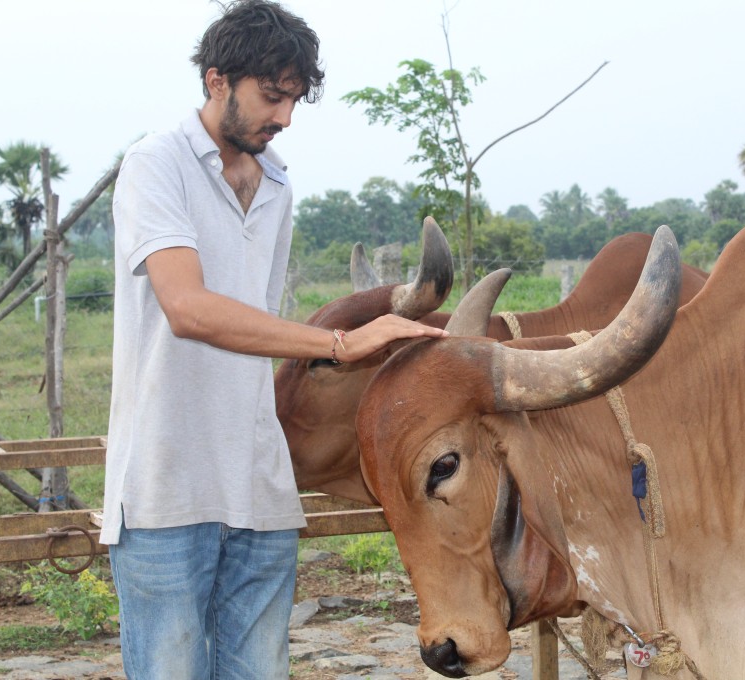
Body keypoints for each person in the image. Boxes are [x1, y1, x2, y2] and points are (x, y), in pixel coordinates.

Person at [99, 2, 448, 678]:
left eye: (293, 100)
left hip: (258, 486)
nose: (284, 117)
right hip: (165, 485)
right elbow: (190, 309)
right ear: (216, 81)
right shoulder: (155, 163)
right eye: (272, 95)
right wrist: (340, 343)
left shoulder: (278, 183)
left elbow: (253, 317)